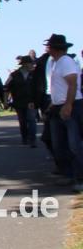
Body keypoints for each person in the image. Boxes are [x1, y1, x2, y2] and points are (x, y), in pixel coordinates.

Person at [43, 34, 83, 192]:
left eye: (49, 46)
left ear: (56, 48)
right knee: (58, 144)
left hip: (71, 105)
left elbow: (72, 84)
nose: (47, 48)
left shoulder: (66, 62)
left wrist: (68, 105)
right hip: (57, 105)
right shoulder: (54, 63)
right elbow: (58, 88)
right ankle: (68, 174)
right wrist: (52, 105)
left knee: (74, 144)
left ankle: (80, 177)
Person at [5, 55, 43, 147]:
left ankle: (32, 139)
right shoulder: (14, 75)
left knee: (31, 120)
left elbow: (40, 88)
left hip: (32, 101)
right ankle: (24, 137)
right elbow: (6, 87)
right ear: (25, 64)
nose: (32, 65)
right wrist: (5, 101)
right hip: (19, 101)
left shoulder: (35, 75)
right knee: (22, 121)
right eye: (30, 63)